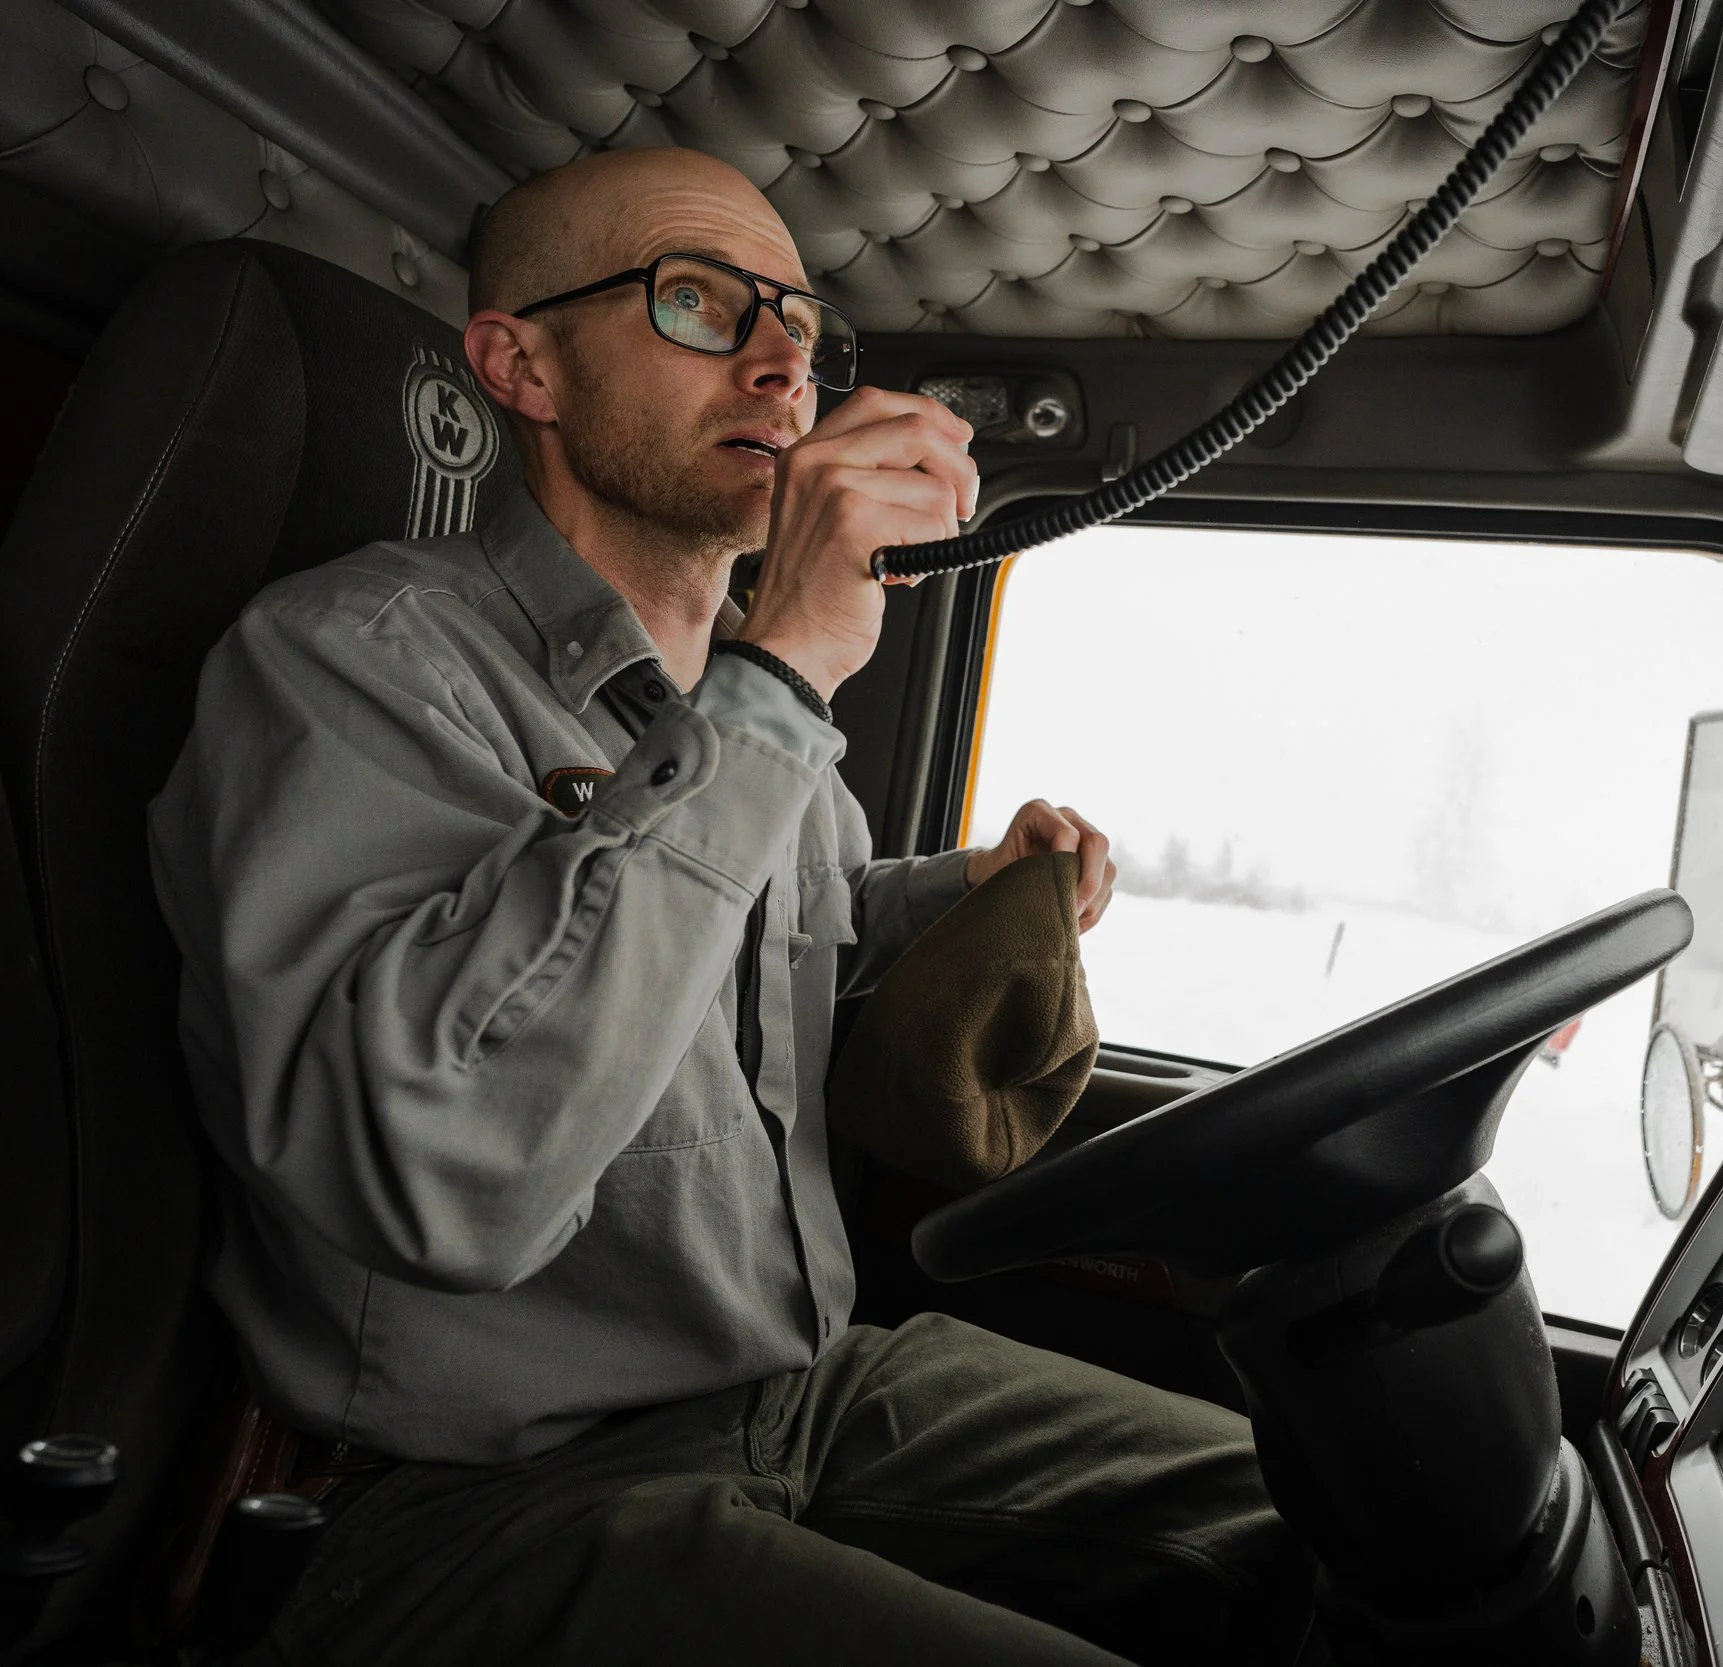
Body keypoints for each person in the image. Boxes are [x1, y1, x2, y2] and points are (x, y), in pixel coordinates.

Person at [147, 146, 1308, 1666]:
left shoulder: (760, 731)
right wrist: (785, 677)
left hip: (802, 1387)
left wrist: (959, 891)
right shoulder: (351, 661)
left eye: (803, 328)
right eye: (696, 302)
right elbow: (441, 1169)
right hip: (480, 1496)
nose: (782, 365)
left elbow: (770, 925)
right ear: (523, 365)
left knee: (1331, 1518)